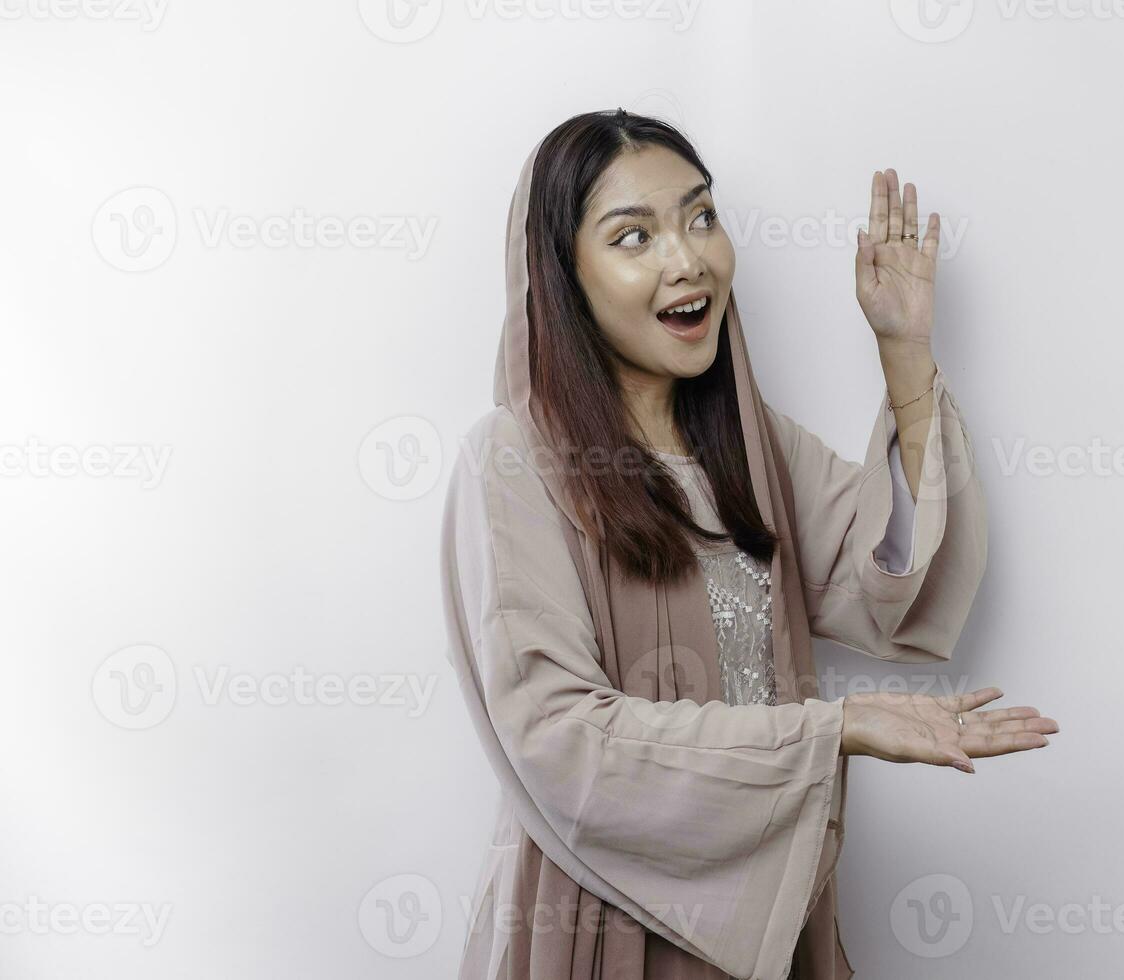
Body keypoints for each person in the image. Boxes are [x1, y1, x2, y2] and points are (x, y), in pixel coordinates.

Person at [440, 109, 1060, 980]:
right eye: (634, 237)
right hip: (605, 927)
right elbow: (560, 740)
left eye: (701, 217)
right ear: (563, 275)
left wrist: (904, 355)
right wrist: (831, 730)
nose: (688, 258)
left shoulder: (747, 445)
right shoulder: (513, 461)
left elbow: (894, 582)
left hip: (770, 932)